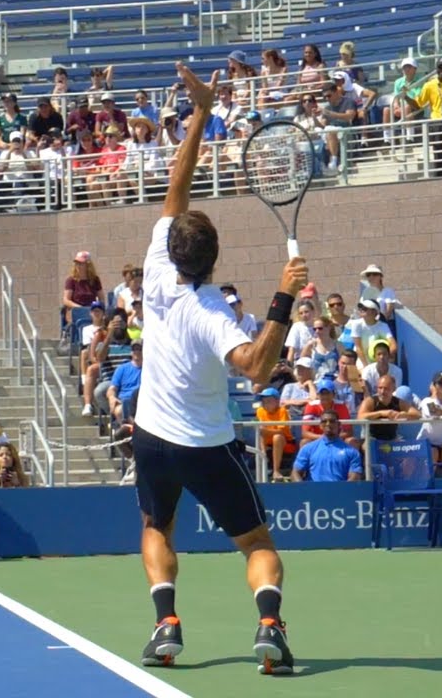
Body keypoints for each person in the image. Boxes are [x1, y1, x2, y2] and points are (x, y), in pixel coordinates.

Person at [132, 62, 306, 675]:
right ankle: (269, 628)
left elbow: (176, 187)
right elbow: (258, 371)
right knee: (256, 543)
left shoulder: (154, 267)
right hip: (207, 444)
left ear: (174, 249)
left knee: (158, 526)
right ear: (213, 258)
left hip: (151, 437)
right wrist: (284, 298)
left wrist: (201, 113)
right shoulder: (213, 312)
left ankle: (166, 626)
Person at [290, 409, 362, 482]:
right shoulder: (308, 449)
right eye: (324, 421)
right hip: (313, 492)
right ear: (320, 425)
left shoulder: (352, 452)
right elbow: (295, 473)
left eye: (332, 421)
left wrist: (343, 492)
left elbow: (355, 477)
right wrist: (303, 490)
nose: (328, 424)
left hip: (339, 492)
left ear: (339, 424)